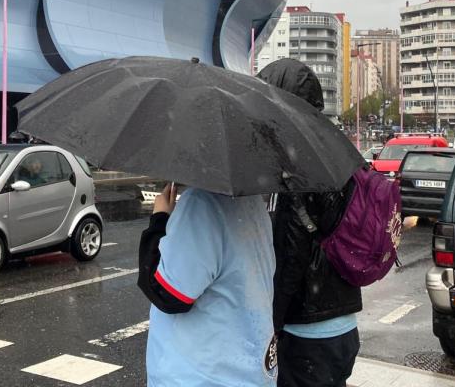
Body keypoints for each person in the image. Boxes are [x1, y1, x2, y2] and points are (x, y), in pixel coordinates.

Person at [258, 58, 360, 387]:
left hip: (307, 330)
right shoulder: (336, 150)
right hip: (342, 324)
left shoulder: (297, 164)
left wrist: (271, 324)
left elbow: (291, 257)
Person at [138, 183, 277, 386]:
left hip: (200, 374)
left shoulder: (201, 202)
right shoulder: (250, 199)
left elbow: (168, 294)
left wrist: (159, 219)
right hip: (247, 369)